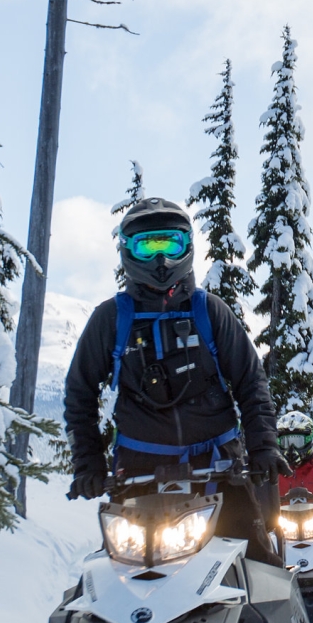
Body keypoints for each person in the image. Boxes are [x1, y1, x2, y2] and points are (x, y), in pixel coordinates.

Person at [63, 197, 285, 564]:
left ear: (187, 247)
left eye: (169, 244)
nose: (160, 259)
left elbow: (251, 383)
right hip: (139, 477)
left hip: (220, 471)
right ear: (127, 252)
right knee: (116, 576)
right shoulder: (110, 319)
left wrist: (263, 448)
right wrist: (88, 463)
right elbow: (79, 394)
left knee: (261, 570)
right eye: (147, 247)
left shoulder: (210, 312)